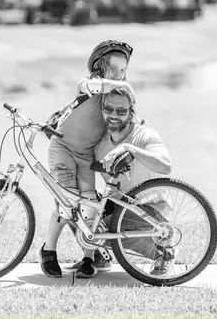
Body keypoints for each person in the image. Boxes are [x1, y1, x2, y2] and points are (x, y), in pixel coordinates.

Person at [39, 40, 136, 278]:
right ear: (100, 65)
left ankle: (88, 258)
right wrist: (123, 85)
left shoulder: (115, 97)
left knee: (89, 206)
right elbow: (90, 85)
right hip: (62, 146)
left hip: (85, 155)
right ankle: (48, 250)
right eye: (115, 69)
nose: (120, 75)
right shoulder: (88, 85)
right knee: (67, 202)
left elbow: (124, 120)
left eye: (123, 71)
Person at [56, 87, 174, 278]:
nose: (114, 115)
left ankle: (164, 252)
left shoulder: (144, 135)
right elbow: (80, 165)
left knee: (107, 229)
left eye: (121, 111)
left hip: (152, 209)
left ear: (131, 112)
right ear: (102, 109)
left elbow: (166, 166)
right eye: (108, 109)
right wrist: (65, 174)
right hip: (121, 202)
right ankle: (99, 257)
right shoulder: (100, 144)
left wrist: (131, 149)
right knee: (71, 203)